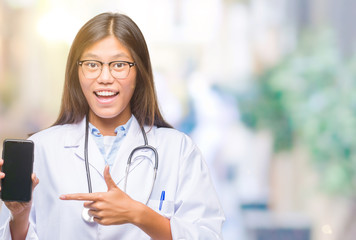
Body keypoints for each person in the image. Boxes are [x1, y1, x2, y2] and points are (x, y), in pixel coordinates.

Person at [0, 12, 225, 239]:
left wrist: (139, 214)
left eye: (119, 64)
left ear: (140, 72)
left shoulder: (178, 150)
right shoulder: (41, 148)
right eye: (92, 64)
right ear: (76, 72)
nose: (105, 77)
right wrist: (19, 217)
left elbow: (208, 235)